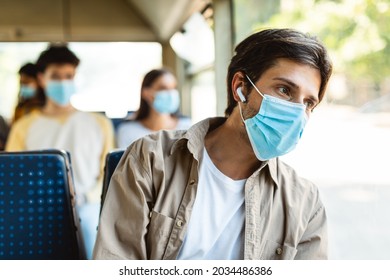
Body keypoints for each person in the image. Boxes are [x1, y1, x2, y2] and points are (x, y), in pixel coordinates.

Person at [94, 28, 333, 260]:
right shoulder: (150, 159)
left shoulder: (305, 203)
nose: (296, 111)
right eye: (284, 90)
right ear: (240, 86)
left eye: (309, 103)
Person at [6, 44, 114, 259]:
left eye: (69, 76)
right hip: (37, 214)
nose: (64, 82)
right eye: (56, 76)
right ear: (42, 79)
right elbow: (13, 178)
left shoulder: (99, 124)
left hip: (90, 212)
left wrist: (86, 197)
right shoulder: (23, 127)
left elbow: (110, 175)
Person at [116, 68, 191, 149]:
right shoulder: (128, 131)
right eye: (163, 88)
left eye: (173, 88)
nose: (171, 94)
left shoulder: (188, 127)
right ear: (146, 93)